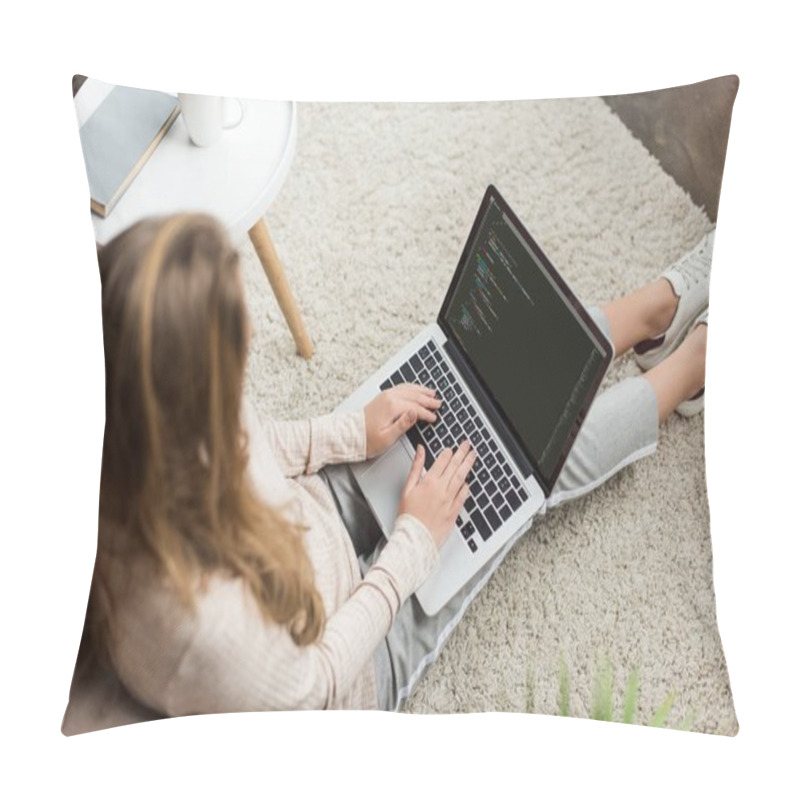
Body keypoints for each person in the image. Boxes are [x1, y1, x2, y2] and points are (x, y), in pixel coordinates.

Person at [84, 213, 713, 716]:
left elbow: (253, 442)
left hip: (308, 523)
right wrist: (413, 543)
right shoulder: (202, 632)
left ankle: (651, 314)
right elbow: (318, 683)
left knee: (483, 396)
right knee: (524, 467)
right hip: (357, 657)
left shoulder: (126, 407)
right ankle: (691, 368)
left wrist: (350, 433)